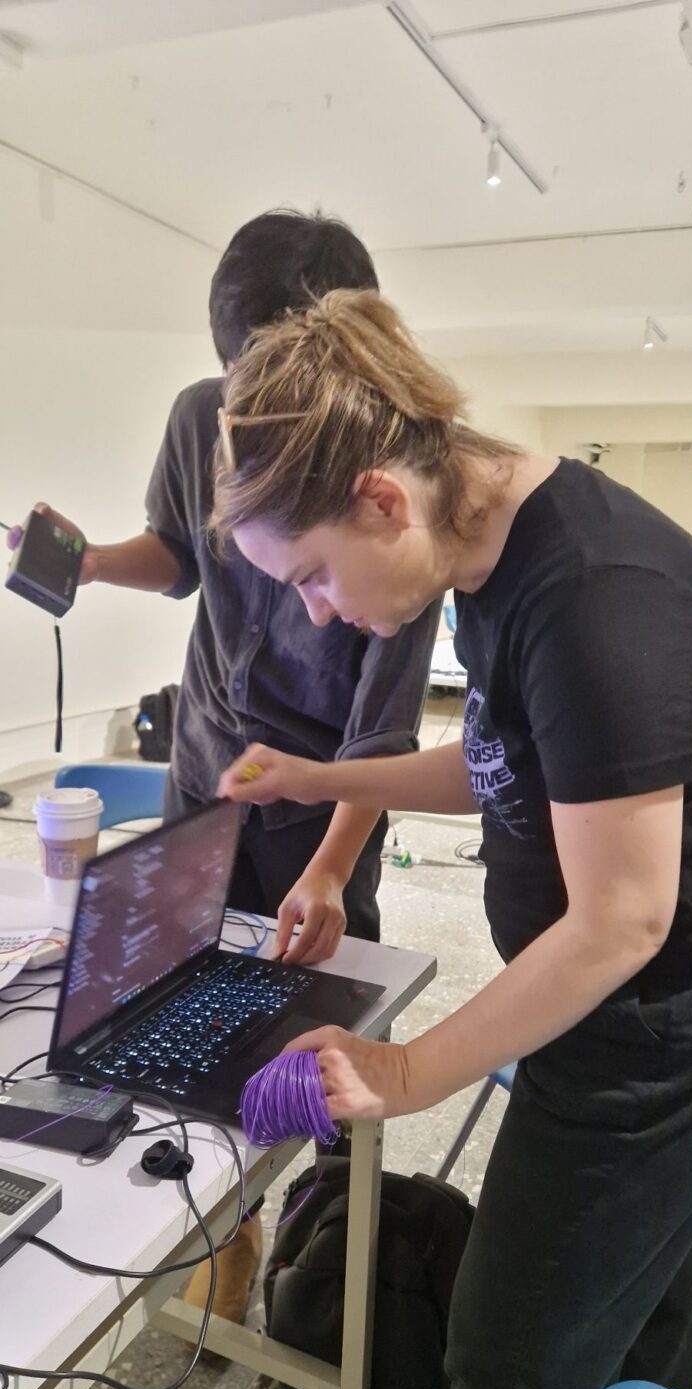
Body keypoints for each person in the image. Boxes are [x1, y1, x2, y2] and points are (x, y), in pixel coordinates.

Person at [209, 288, 692, 1389]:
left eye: (312, 575)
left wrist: (406, 1069)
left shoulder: (589, 594)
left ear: (381, 497)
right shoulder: (491, 550)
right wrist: (318, 776)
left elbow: (622, 919)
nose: (316, 610)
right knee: (627, 1311)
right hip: (616, 1020)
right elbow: (503, 763)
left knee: (502, 1365)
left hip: (648, 1038)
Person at [6, 217, 440, 1326]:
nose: (248, 415)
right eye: (239, 384)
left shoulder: (396, 494)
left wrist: (332, 867)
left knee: (324, 1028)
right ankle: (222, 1223)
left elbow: (382, 737)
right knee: (173, 1003)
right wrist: (87, 563)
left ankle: (325, 1234)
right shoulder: (204, 415)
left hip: (323, 801)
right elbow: (178, 555)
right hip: (205, 766)